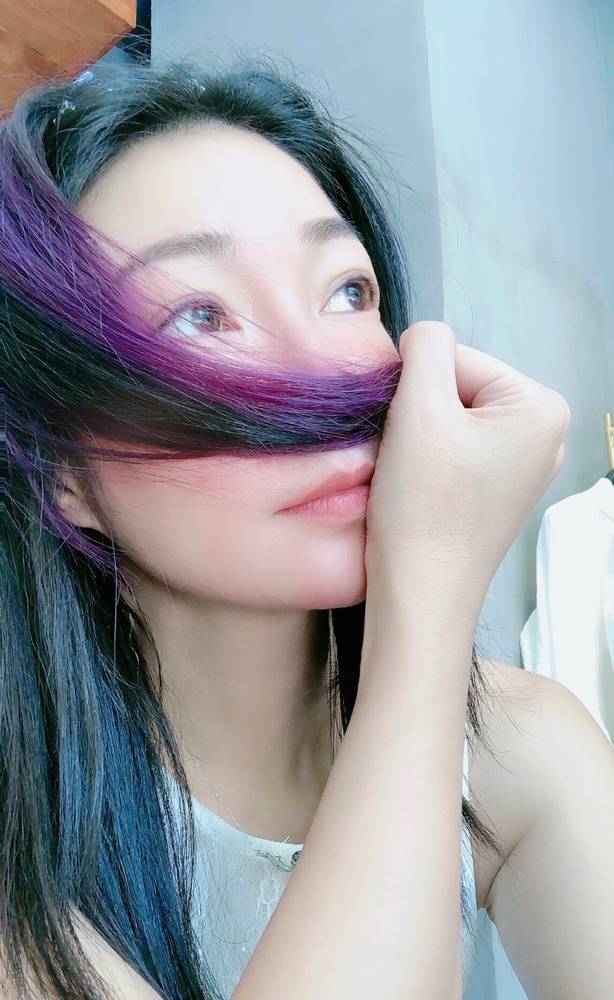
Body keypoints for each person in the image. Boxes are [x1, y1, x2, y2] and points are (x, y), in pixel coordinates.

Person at [1, 55, 613, 1000]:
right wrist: (430, 599)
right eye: (200, 315)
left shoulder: (520, 746)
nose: (325, 367)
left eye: (347, 292)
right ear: (62, 468)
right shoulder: (26, 838)